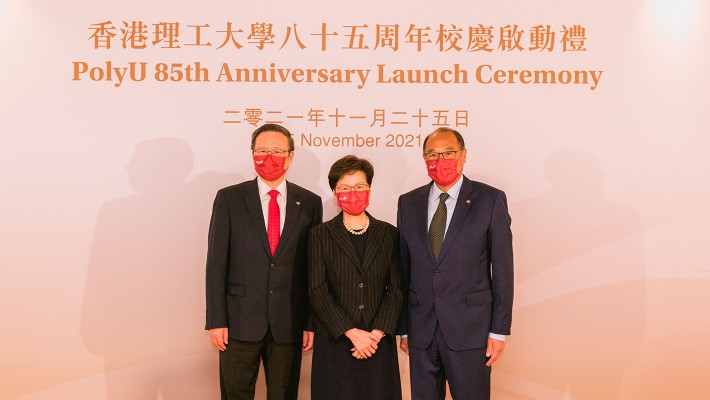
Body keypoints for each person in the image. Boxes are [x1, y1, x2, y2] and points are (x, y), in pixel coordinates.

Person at [205, 123, 323, 400]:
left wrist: (310, 322)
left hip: (289, 323)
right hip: (237, 322)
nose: (269, 157)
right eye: (262, 150)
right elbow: (216, 263)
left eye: (277, 151)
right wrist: (216, 320)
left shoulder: (309, 202)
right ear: (252, 154)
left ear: (291, 156)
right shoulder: (229, 198)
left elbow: (313, 268)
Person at [397, 128, 514, 399]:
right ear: (424, 158)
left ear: (463, 155)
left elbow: (504, 270)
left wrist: (498, 330)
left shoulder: (490, 199)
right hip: (421, 329)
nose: (441, 160)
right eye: (433, 155)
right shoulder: (408, 202)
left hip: (471, 329)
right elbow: (404, 269)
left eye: (449, 153)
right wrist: (404, 328)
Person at [308, 155, 404, 400]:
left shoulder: (389, 233)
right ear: (334, 192)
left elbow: (396, 288)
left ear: (369, 189)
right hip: (336, 340)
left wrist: (376, 333)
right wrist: (351, 331)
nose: (353, 193)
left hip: (377, 342)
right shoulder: (320, 234)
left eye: (360, 186)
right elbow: (317, 289)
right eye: (344, 188)